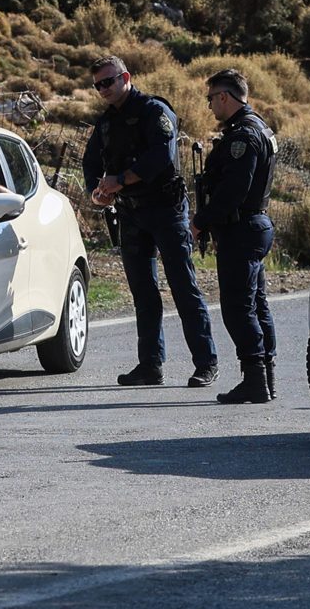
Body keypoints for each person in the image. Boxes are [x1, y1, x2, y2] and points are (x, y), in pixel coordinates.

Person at [82, 56, 217, 388]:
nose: (103, 89)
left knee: (183, 287)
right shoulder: (107, 122)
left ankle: (206, 362)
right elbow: (89, 160)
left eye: (108, 82)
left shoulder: (154, 111)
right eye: (98, 84)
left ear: (125, 77)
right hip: (130, 213)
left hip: (165, 209)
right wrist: (97, 192)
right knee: (143, 291)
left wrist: (121, 180)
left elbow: (159, 156)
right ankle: (150, 365)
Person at [194, 69, 278, 405]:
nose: (210, 105)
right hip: (253, 225)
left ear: (225, 97)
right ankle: (265, 377)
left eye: (211, 98)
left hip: (242, 227)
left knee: (238, 307)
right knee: (256, 304)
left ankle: (256, 379)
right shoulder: (259, 127)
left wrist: (202, 221)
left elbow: (233, 192)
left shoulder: (242, 135)